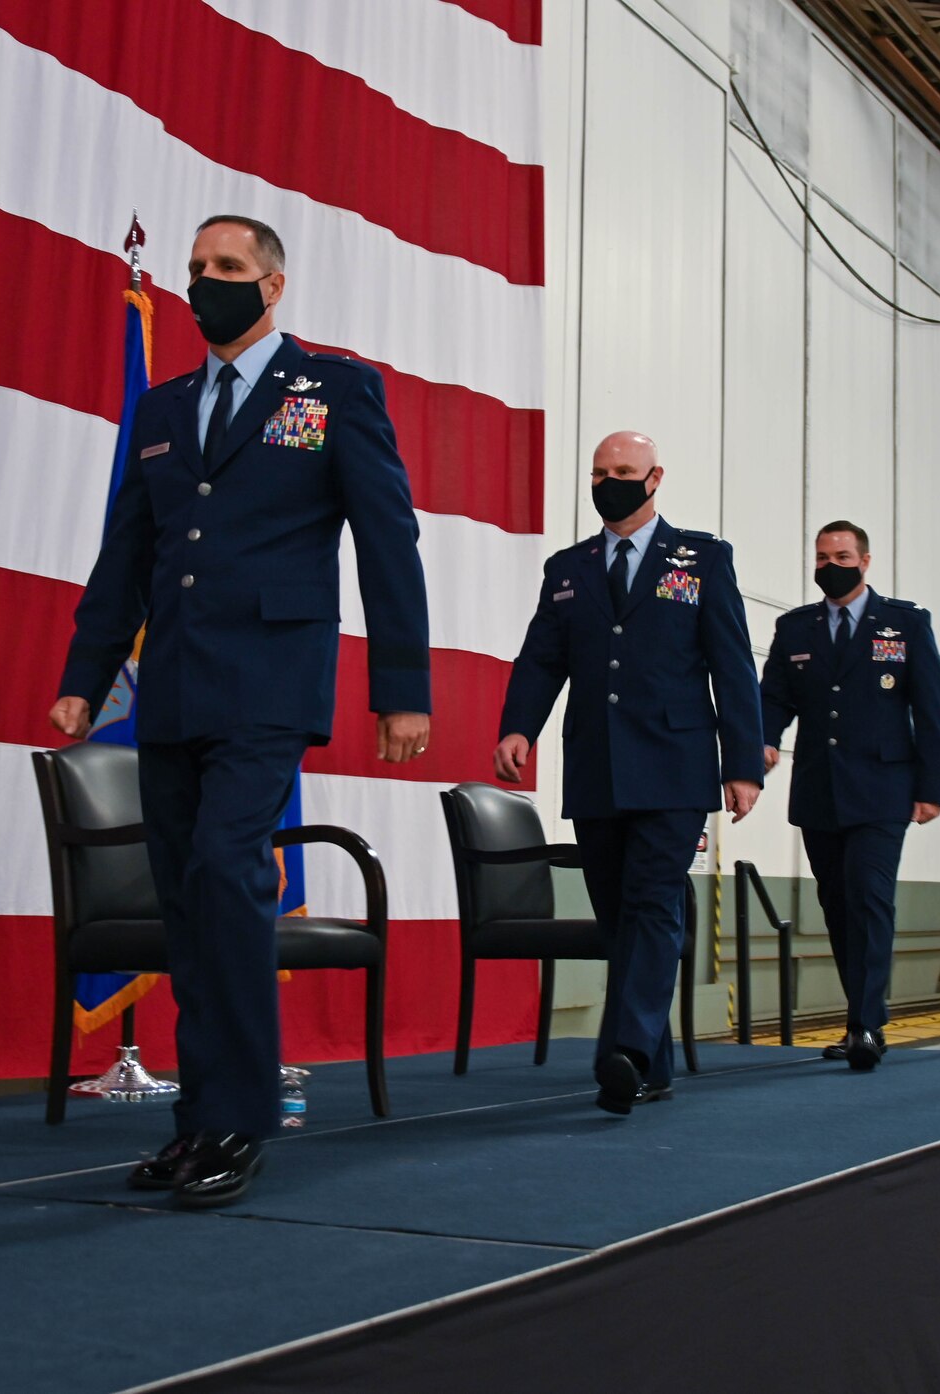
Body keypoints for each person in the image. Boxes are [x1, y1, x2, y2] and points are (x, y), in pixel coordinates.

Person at [50, 215, 431, 1206]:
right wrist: (85, 676)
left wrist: (401, 691)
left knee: (227, 872)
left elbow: (388, 540)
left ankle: (243, 1116)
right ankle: (197, 1120)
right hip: (173, 683)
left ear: (272, 284)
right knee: (186, 899)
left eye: (225, 268)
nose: (203, 283)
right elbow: (124, 555)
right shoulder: (163, 406)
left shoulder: (333, 388)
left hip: (268, 681)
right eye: (194, 270)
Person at [494, 431, 763, 1114]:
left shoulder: (700, 558)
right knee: (619, 917)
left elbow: (731, 665)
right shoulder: (569, 567)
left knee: (652, 902)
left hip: (675, 765)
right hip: (596, 765)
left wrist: (742, 764)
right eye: (599, 471)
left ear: (654, 478)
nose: (609, 481)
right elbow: (540, 658)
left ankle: (623, 1052)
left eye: (623, 470)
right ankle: (654, 1064)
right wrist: (519, 726)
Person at [759, 521, 940, 1071]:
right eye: (821, 557)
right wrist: (764, 741)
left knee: (869, 897)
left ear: (865, 561)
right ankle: (859, 1016)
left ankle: (866, 1025)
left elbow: (929, 708)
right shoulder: (796, 629)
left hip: (885, 790)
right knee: (838, 905)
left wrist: (932, 787)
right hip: (821, 789)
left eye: (841, 556)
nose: (829, 566)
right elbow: (773, 697)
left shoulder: (905, 623)